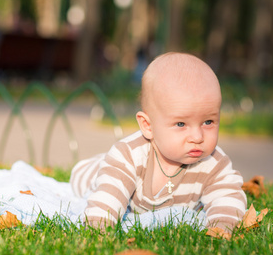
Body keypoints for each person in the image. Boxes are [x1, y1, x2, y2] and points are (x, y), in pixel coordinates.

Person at [70, 52, 247, 233]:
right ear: (148, 126)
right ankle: (94, 164)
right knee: (93, 178)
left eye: (208, 122)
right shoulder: (129, 156)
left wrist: (222, 227)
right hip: (97, 172)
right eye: (181, 124)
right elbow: (107, 200)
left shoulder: (214, 162)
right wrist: (99, 226)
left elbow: (228, 196)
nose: (197, 136)